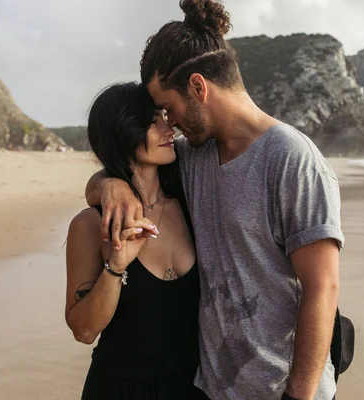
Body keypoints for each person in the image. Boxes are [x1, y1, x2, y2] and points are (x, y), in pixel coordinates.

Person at [86, 1, 344, 399]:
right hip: (210, 387)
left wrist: (300, 396)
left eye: (169, 109)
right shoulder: (192, 154)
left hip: (278, 390)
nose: (169, 123)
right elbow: (129, 170)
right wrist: (110, 185)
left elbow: (322, 288)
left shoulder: (292, 160)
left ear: (198, 87)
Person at [66, 82, 200, 399]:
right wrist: (116, 266)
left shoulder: (193, 204)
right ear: (123, 132)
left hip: (192, 386)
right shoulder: (90, 225)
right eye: (153, 121)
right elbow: (84, 331)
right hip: (118, 388)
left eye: (165, 116)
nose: (169, 127)